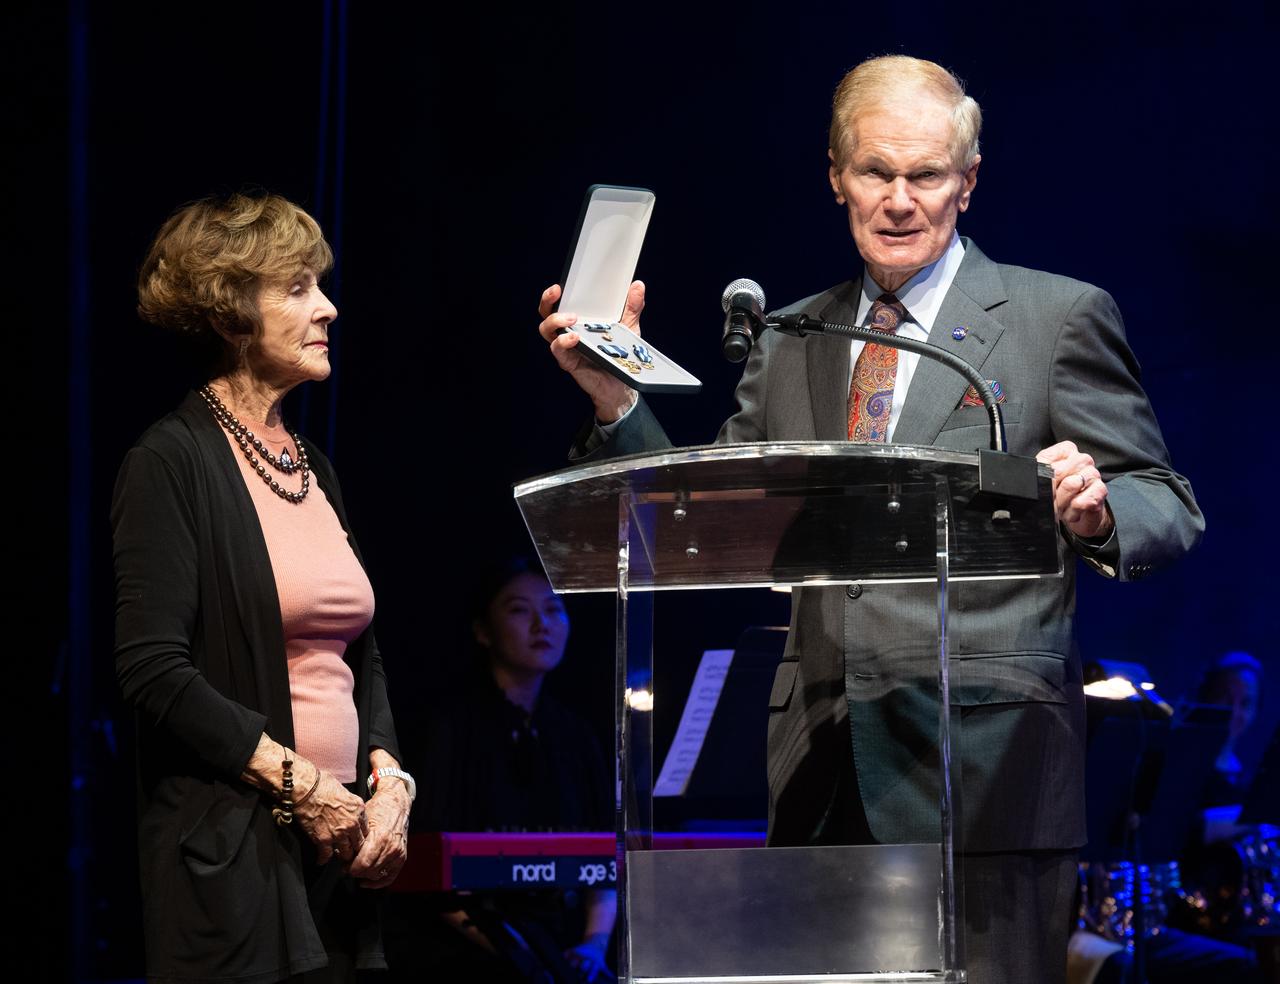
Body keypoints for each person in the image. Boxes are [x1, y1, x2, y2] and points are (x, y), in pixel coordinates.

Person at [535, 55, 1204, 983]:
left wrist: (1094, 513)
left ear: (967, 183)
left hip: (988, 772)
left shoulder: (1054, 320)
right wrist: (613, 395)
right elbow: (710, 514)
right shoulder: (791, 334)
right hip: (818, 759)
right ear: (835, 177)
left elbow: (1166, 503)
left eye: (926, 175)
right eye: (876, 172)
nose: (900, 199)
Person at [113, 193, 414, 983]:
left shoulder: (314, 465)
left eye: (321, 284)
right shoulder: (169, 462)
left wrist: (390, 781)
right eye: (298, 287)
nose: (329, 307)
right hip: (236, 862)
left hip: (341, 857)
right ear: (227, 312)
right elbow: (151, 667)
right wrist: (303, 784)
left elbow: (364, 654)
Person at [386, 559, 616, 983]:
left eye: (553, 609)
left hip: (565, 944)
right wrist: (522, 955)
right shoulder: (452, 727)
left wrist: (594, 943)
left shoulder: (577, 733)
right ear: (483, 630)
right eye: (518, 610)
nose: (541, 624)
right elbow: (429, 870)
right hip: (469, 947)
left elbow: (605, 855)